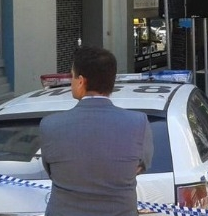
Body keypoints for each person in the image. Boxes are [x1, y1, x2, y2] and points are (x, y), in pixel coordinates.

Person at [39, 46, 153, 216]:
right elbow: (140, 166)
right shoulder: (138, 123)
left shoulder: (50, 125)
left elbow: (52, 171)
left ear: (81, 81)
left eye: (72, 76)